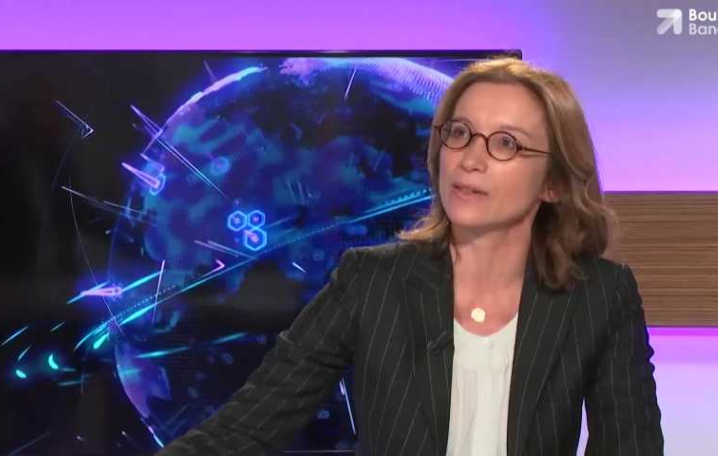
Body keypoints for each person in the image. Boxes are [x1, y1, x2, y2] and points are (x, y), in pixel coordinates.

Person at [157, 56, 664, 455]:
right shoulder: (368, 282)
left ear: (553, 183)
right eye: (459, 133)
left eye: (506, 144)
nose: (470, 159)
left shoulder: (602, 296)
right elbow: (242, 431)